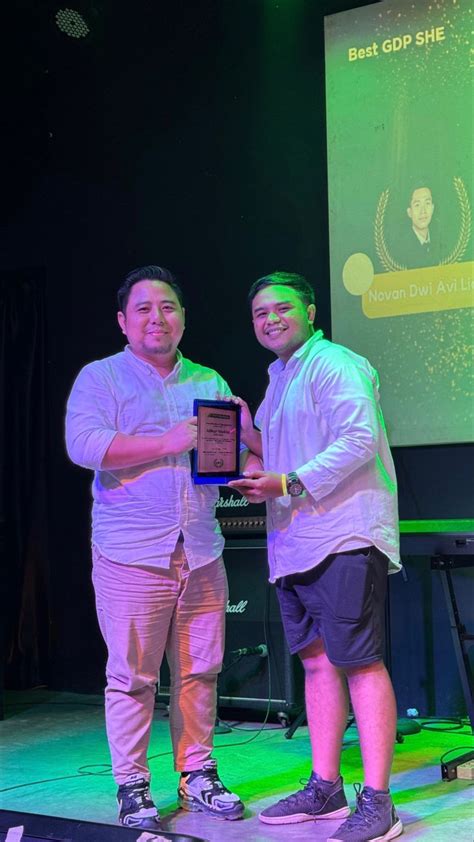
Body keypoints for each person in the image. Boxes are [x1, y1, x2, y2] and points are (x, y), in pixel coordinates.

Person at [65, 265, 246, 830]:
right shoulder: (101, 377)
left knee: (200, 672)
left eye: (167, 307)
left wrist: (243, 454)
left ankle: (198, 775)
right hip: (131, 553)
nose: (157, 318)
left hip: (201, 549)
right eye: (143, 308)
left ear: (183, 318)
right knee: (133, 677)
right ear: (123, 321)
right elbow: (83, 445)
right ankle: (133, 785)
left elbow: (227, 459)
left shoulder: (208, 380)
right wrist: (166, 442)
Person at [229, 271, 403, 842]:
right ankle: (326, 786)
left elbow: (359, 439)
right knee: (317, 664)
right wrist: (250, 439)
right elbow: (287, 455)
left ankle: (379, 802)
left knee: (360, 661)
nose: (271, 319)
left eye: (282, 308)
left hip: (343, 535)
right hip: (296, 542)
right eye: (260, 313)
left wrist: (285, 482)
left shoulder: (335, 363)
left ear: (309, 311)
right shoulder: (279, 377)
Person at [402, 185, 439, 268]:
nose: (423, 211)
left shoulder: (441, 240)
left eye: (427, 203)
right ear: (409, 212)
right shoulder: (401, 248)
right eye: (417, 205)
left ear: (432, 208)